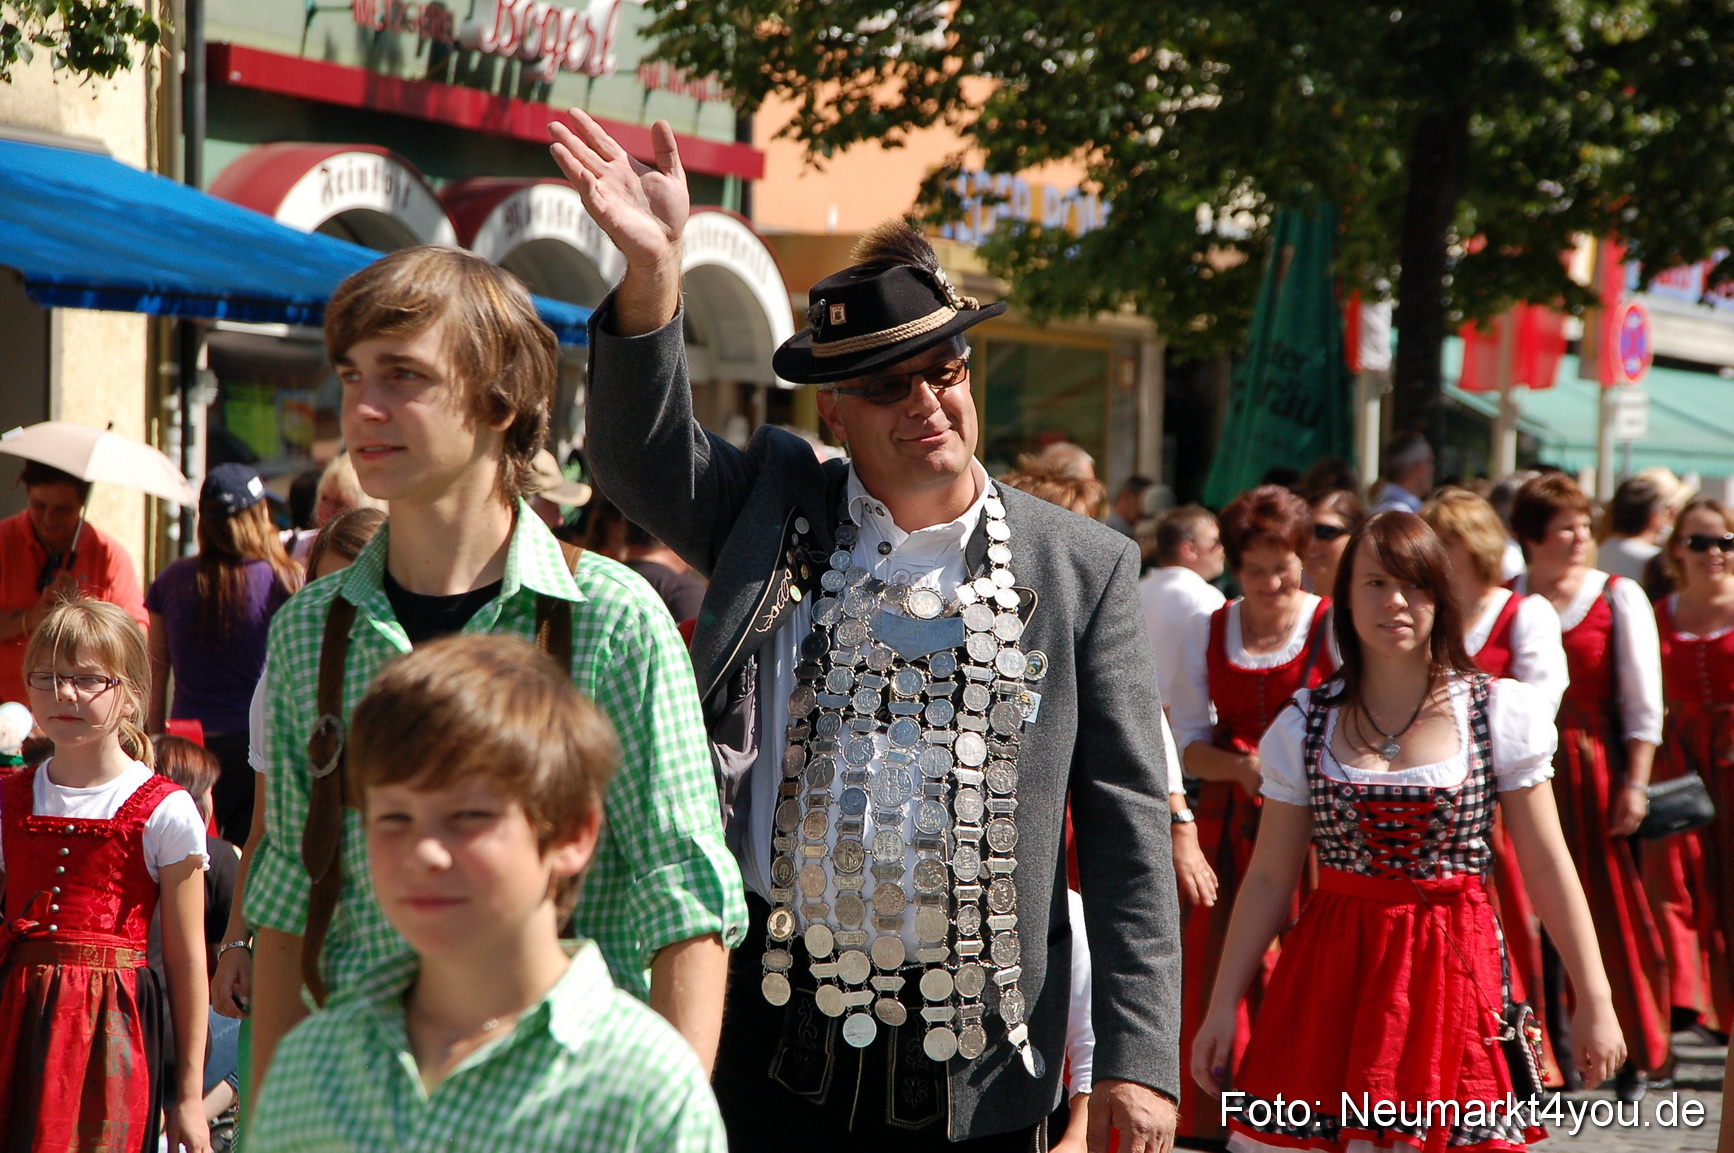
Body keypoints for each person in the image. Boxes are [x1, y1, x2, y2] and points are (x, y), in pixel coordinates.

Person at [555, 110, 1181, 1151]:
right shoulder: (780, 504)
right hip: (771, 1024)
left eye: (946, 370)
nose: (929, 401)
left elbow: (1125, 832)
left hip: (976, 1055)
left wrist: (1136, 1055)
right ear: (835, 410)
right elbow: (635, 457)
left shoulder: (1086, 564)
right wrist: (656, 266)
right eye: (890, 384)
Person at [242, 246, 745, 1100]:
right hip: (359, 1110)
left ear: (501, 399)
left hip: (561, 1109)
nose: (362, 407)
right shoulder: (308, 635)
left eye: (403, 375)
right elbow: (289, 912)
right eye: (351, 374)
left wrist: (666, 1120)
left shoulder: (610, 620)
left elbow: (685, 904)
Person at [1189, 512, 1625, 1152]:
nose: (1396, 602)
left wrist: (1596, 997)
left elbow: (1548, 865)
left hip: (1454, 966)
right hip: (1332, 968)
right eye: (1374, 583)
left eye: (1415, 585)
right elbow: (1271, 877)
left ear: (1441, 598)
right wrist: (1223, 1003)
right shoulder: (1305, 723)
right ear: (1345, 597)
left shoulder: (1497, 710)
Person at [249, 634, 727, 1151]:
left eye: (469, 816)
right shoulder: (313, 1068)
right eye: (394, 818)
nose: (425, 852)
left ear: (570, 832)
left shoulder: (645, 1089)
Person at [0, 599, 211, 1151]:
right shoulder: (7, 799)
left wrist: (188, 1095)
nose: (65, 694)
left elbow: (189, 960)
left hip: (111, 1030)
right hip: (13, 1021)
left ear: (131, 693)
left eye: (88, 679)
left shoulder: (164, 808)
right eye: (46, 678)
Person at [1165, 483, 1336, 1143]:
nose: (1270, 581)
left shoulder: (1330, 623)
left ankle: (1300, 1107)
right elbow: (1185, 741)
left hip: (1316, 825)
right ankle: (1213, 1113)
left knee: (1297, 962)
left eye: (1283, 564)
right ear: (1235, 565)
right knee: (1216, 957)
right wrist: (1238, 766)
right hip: (1228, 816)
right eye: (1256, 567)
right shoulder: (1209, 627)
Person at [1511, 472, 1668, 1099]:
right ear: (1531, 538)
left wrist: (1635, 782)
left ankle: (1626, 1051)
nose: (1579, 537)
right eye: (1563, 528)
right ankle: (1538, 1056)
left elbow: (1642, 701)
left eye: (1583, 525)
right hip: (1520, 774)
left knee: (1604, 913)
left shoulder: (1617, 595)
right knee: (1522, 915)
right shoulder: (1509, 597)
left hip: (1589, 768)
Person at [1423, 487, 1568, 1081]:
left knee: (1517, 924)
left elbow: (1542, 702)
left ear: (1478, 547)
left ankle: (1530, 1057)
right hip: (1440, 806)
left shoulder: (1523, 612)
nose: (1438, 559)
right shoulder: (1427, 613)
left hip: (1500, 797)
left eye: (1448, 546)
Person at [146, 463, 304, 844]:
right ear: (259, 515)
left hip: (186, 744)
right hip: (256, 745)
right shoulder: (284, 579)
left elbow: (155, 671)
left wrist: (152, 739)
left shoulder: (171, 580)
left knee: (185, 859)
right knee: (248, 857)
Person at [1646, 498, 1734, 1046]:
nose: (1714, 554)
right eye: (1700, 542)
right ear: (1677, 548)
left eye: (1725, 542)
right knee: (1672, 886)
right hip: (1678, 765)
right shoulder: (1658, 612)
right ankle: (1683, 1003)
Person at [0, 459, 150, 704]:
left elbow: (135, 638)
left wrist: (81, 610)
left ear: (81, 504)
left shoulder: (109, 555)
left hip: (82, 710)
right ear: (27, 493)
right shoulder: (4, 541)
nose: (49, 518)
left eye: (63, 509)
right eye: (39, 505)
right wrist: (30, 618)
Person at [1598, 470, 1693, 583]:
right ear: (1655, 516)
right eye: (1670, 508)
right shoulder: (1657, 563)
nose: (1675, 513)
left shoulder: (1597, 552)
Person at [1304, 488, 1366, 596]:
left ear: (1355, 537)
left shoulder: (1373, 605)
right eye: (1305, 531)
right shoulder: (1290, 606)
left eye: (1325, 531)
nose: (1311, 543)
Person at [1369, 431, 1434, 514]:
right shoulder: (1398, 512)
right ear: (1419, 467)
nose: (1432, 469)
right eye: (1430, 461)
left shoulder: (1387, 506)